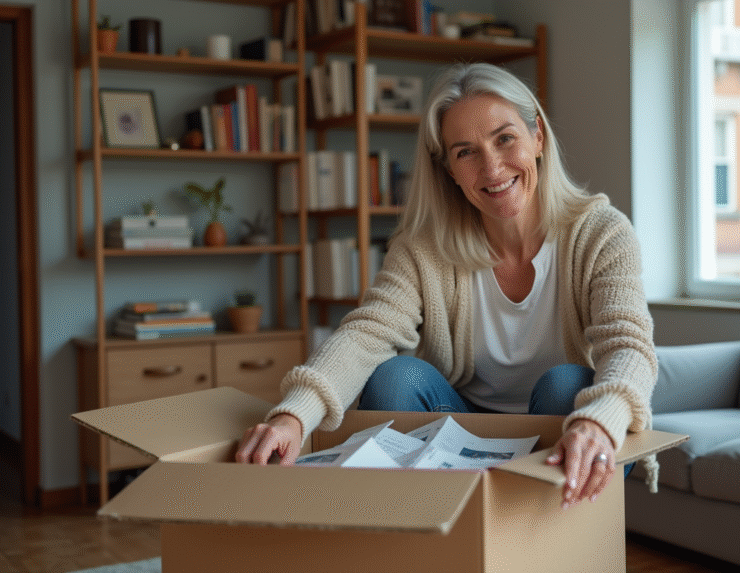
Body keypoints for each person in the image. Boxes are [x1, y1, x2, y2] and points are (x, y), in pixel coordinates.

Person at [236, 62, 659, 506]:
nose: (492, 168)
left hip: (574, 433)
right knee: (395, 377)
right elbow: (368, 332)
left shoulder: (602, 233)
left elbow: (628, 346)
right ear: (449, 171)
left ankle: (544, 534)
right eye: (465, 152)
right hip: (467, 431)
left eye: (505, 138)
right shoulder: (423, 249)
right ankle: (424, 531)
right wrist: (292, 417)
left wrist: (599, 420)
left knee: (563, 385)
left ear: (537, 137)